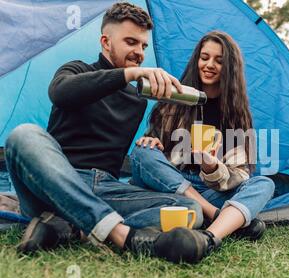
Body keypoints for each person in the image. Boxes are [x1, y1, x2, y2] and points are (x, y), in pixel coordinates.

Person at [4, 2, 217, 264]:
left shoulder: (138, 99)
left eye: (143, 46)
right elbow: (61, 93)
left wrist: (152, 141)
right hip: (57, 182)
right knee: (23, 135)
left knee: (189, 209)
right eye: (131, 42)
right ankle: (122, 235)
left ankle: (69, 228)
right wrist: (128, 74)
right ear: (106, 41)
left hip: (106, 188)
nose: (139, 52)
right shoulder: (77, 70)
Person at [130, 31, 275, 252]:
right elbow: (153, 153)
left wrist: (212, 167)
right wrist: (153, 143)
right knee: (142, 151)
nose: (209, 65)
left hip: (210, 188)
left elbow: (241, 173)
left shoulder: (237, 115)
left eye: (219, 60)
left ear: (229, 67)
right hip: (172, 184)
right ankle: (218, 216)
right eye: (204, 57)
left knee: (264, 184)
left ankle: (209, 237)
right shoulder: (174, 100)